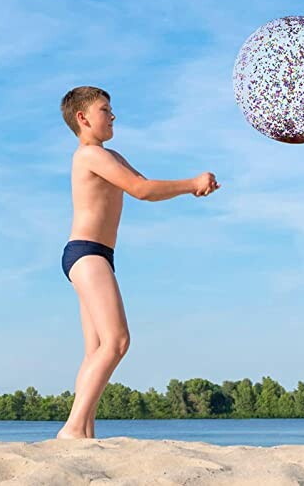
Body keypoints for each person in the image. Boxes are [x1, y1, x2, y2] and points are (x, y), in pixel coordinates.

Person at [57, 86, 220, 439]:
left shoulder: (109, 155)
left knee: (96, 350)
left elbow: (146, 185)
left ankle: (83, 432)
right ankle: (72, 428)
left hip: (94, 255)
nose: (112, 115)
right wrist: (192, 183)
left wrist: (188, 186)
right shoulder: (89, 155)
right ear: (83, 118)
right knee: (117, 341)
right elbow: (141, 190)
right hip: (87, 252)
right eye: (105, 109)